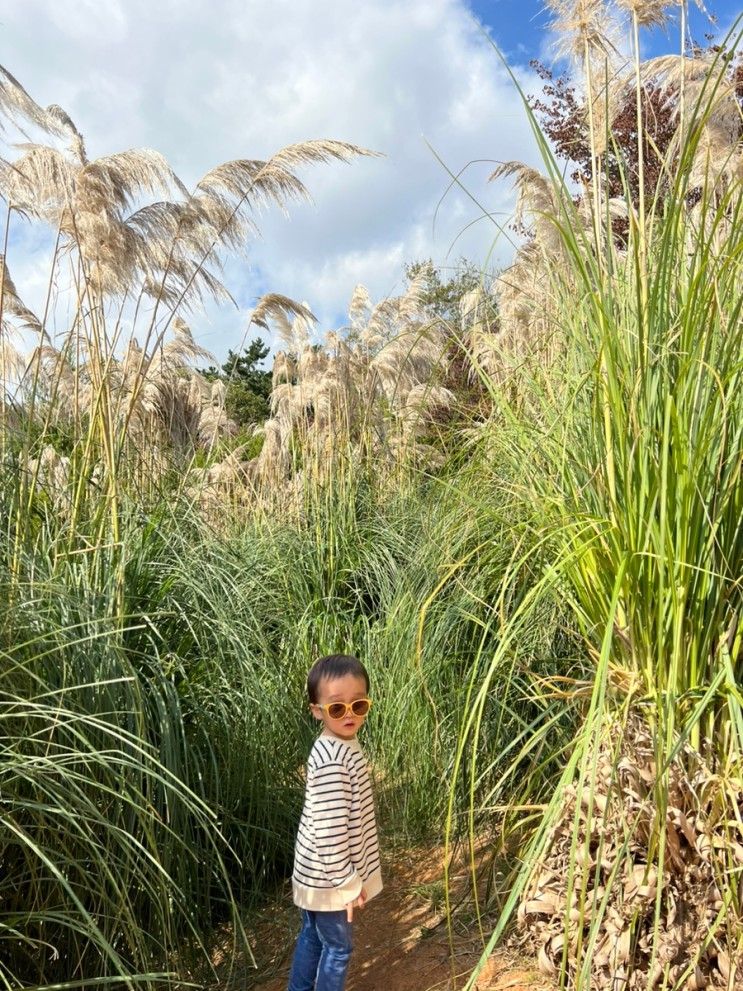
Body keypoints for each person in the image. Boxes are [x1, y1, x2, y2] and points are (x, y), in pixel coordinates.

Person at [287, 653, 383, 991]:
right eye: (337, 708)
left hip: (317, 874)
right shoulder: (332, 759)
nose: (349, 715)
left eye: (358, 705)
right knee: (338, 947)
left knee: (313, 936)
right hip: (329, 878)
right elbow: (330, 833)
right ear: (317, 711)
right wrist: (347, 883)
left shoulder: (341, 744)